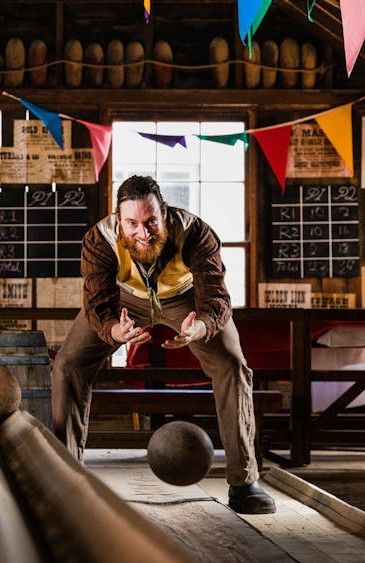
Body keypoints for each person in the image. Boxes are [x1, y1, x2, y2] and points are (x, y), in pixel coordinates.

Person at [51, 175, 276, 515]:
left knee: (232, 365)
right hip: (125, 303)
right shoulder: (99, 239)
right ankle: (64, 482)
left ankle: (244, 483)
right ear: (118, 220)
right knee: (67, 366)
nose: (143, 233)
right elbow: (98, 302)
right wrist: (115, 332)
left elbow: (216, 297)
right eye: (132, 224)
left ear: (165, 214)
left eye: (151, 221)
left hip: (186, 302)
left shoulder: (197, 234)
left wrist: (198, 328)